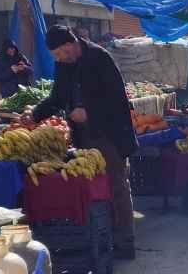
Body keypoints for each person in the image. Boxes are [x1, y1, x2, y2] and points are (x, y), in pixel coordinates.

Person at [31, 25, 139, 258]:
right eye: (56, 56)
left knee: (116, 184)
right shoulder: (64, 64)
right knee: (94, 186)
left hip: (109, 134)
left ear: (70, 44)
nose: (59, 59)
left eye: (60, 53)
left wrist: (88, 112)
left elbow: (117, 99)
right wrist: (34, 114)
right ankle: (103, 238)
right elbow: (58, 97)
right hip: (83, 136)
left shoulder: (100, 58)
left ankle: (125, 242)